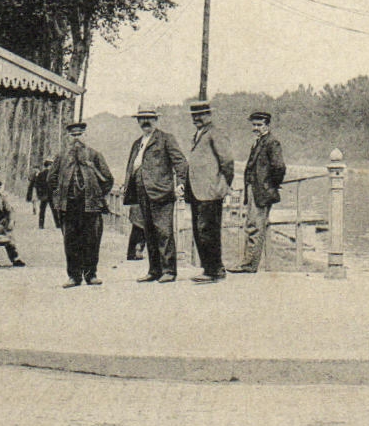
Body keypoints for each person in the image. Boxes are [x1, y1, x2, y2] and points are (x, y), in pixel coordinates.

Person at [121, 107, 188, 284]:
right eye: (142, 118)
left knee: (164, 231)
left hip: (161, 192)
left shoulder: (165, 139)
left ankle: (169, 271)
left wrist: (181, 183)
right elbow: (131, 167)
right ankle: (154, 270)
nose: (146, 122)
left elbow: (180, 162)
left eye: (149, 118)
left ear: (156, 120)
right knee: (148, 231)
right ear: (138, 121)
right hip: (142, 193)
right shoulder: (137, 143)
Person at [53, 120, 114, 287]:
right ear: (68, 137)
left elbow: (108, 179)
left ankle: (91, 274)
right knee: (71, 242)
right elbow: (51, 179)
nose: (76, 138)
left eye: (79, 134)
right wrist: (60, 197)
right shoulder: (61, 157)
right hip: (69, 206)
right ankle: (74, 276)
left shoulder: (95, 155)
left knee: (92, 240)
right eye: (73, 135)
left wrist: (97, 195)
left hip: (91, 206)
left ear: (85, 135)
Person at [184, 101, 235, 284]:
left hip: (210, 192)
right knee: (200, 231)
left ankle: (214, 270)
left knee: (208, 231)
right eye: (194, 115)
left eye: (201, 115)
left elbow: (227, 162)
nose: (197, 118)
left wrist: (223, 185)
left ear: (209, 115)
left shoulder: (215, 133)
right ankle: (210, 269)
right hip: (197, 192)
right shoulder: (198, 134)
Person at [229, 110, 286, 274]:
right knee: (252, 225)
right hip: (254, 190)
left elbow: (279, 167)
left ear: (267, 125)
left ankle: (249, 265)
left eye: (259, 125)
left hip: (261, 191)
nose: (256, 128)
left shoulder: (272, 142)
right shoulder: (259, 142)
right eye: (254, 125)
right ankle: (248, 263)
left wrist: (269, 185)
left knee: (255, 227)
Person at [29, 157, 58, 229]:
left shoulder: (40, 174)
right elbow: (56, 185)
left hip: (44, 195)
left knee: (42, 210)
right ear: (49, 166)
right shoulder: (53, 175)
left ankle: (41, 225)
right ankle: (58, 224)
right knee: (54, 210)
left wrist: (39, 194)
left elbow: (37, 185)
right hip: (51, 195)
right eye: (51, 165)